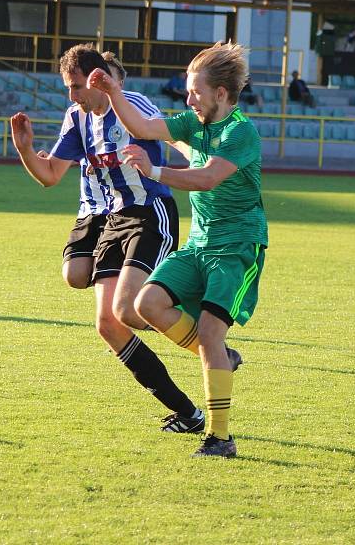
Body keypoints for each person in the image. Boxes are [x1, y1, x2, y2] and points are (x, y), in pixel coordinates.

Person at [11, 43, 217, 434]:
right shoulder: (76, 117)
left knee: (129, 310)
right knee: (107, 323)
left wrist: (202, 163)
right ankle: (189, 414)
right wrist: (24, 149)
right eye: (67, 88)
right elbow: (50, 175)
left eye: (75, 87)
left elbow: (173, 135)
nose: (70, 96)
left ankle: (208, 338)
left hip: (149, 213)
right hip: (110, 219)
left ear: (94, 80)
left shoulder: (132, 103)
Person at [87, 41, 268, 458]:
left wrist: (153, 170)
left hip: (237, 248)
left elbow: (207, 178)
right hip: (199, 244)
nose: (188, 99)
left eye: (195, 91)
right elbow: (144, 127)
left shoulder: (241, 132)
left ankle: (221, 438)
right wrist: (114, 94)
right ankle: (221, 355)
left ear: (220, 94)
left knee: (208, 332)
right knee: (147, 303)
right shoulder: (194, 123)